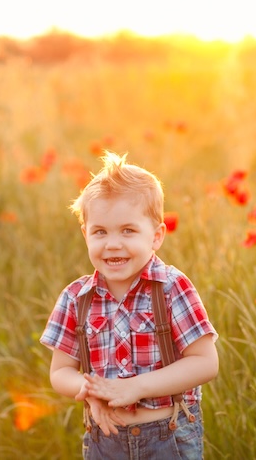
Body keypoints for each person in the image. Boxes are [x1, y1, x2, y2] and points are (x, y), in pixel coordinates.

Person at [40, 151, 218, 459]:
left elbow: (205, 362)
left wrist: (138, 387)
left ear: (156, 236)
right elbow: (60, 372)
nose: (112, 243)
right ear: (85, 235)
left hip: (168, 435)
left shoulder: (172, 288)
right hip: (104, 440)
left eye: (128, 230)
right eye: (100, 232)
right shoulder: (76, 298)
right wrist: (89, 391)